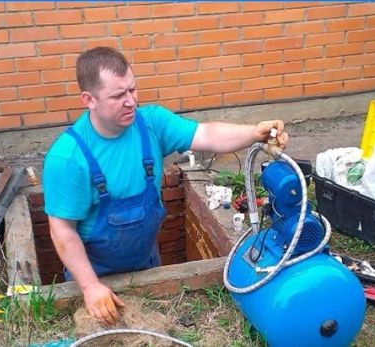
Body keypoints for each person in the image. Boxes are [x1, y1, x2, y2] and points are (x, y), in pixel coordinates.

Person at [42, 47, 289, 325]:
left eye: (132, 90)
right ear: (89, 99)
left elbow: (206, 134)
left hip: (148, 265)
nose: (131, 102)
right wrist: (89, 287)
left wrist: (253, 133)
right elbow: (62, 229)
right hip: (94, 274)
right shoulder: (68, 158)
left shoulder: (151, 123)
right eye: (118, 96)